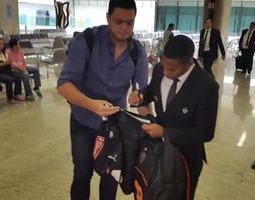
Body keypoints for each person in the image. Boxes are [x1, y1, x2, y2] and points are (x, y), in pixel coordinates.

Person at [57, 0, 148, 199]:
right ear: (108, 18)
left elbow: (142, 91)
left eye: (130, 23)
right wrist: (92, 105)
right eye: (119, 21)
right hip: (83, 121)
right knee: (82, 174)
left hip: (115, 127)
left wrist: (139, 97)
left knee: (110, 177)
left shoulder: (137, 51)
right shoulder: (87, 40)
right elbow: (64, 84)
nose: (125, 28)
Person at [129, 35, 219, 200]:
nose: (165, 71)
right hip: (156, 149)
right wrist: (141, 96)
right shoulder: (159, 69)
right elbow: (152, 90)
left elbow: (205, 132)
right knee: (152, 191)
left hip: (185, 156)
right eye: (163, 64)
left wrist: (165, 132)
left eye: (172, 69)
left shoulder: (207, 86)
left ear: (188, 63)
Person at [0, 37, 22, 103]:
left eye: (2, 44)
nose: (1, 46)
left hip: (6, 70)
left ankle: (16, 94)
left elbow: (7, 62)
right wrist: (4, 63)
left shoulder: (4, 53)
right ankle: (10, 98)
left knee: (18, 76)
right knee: (9, 79)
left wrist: (9, 63)